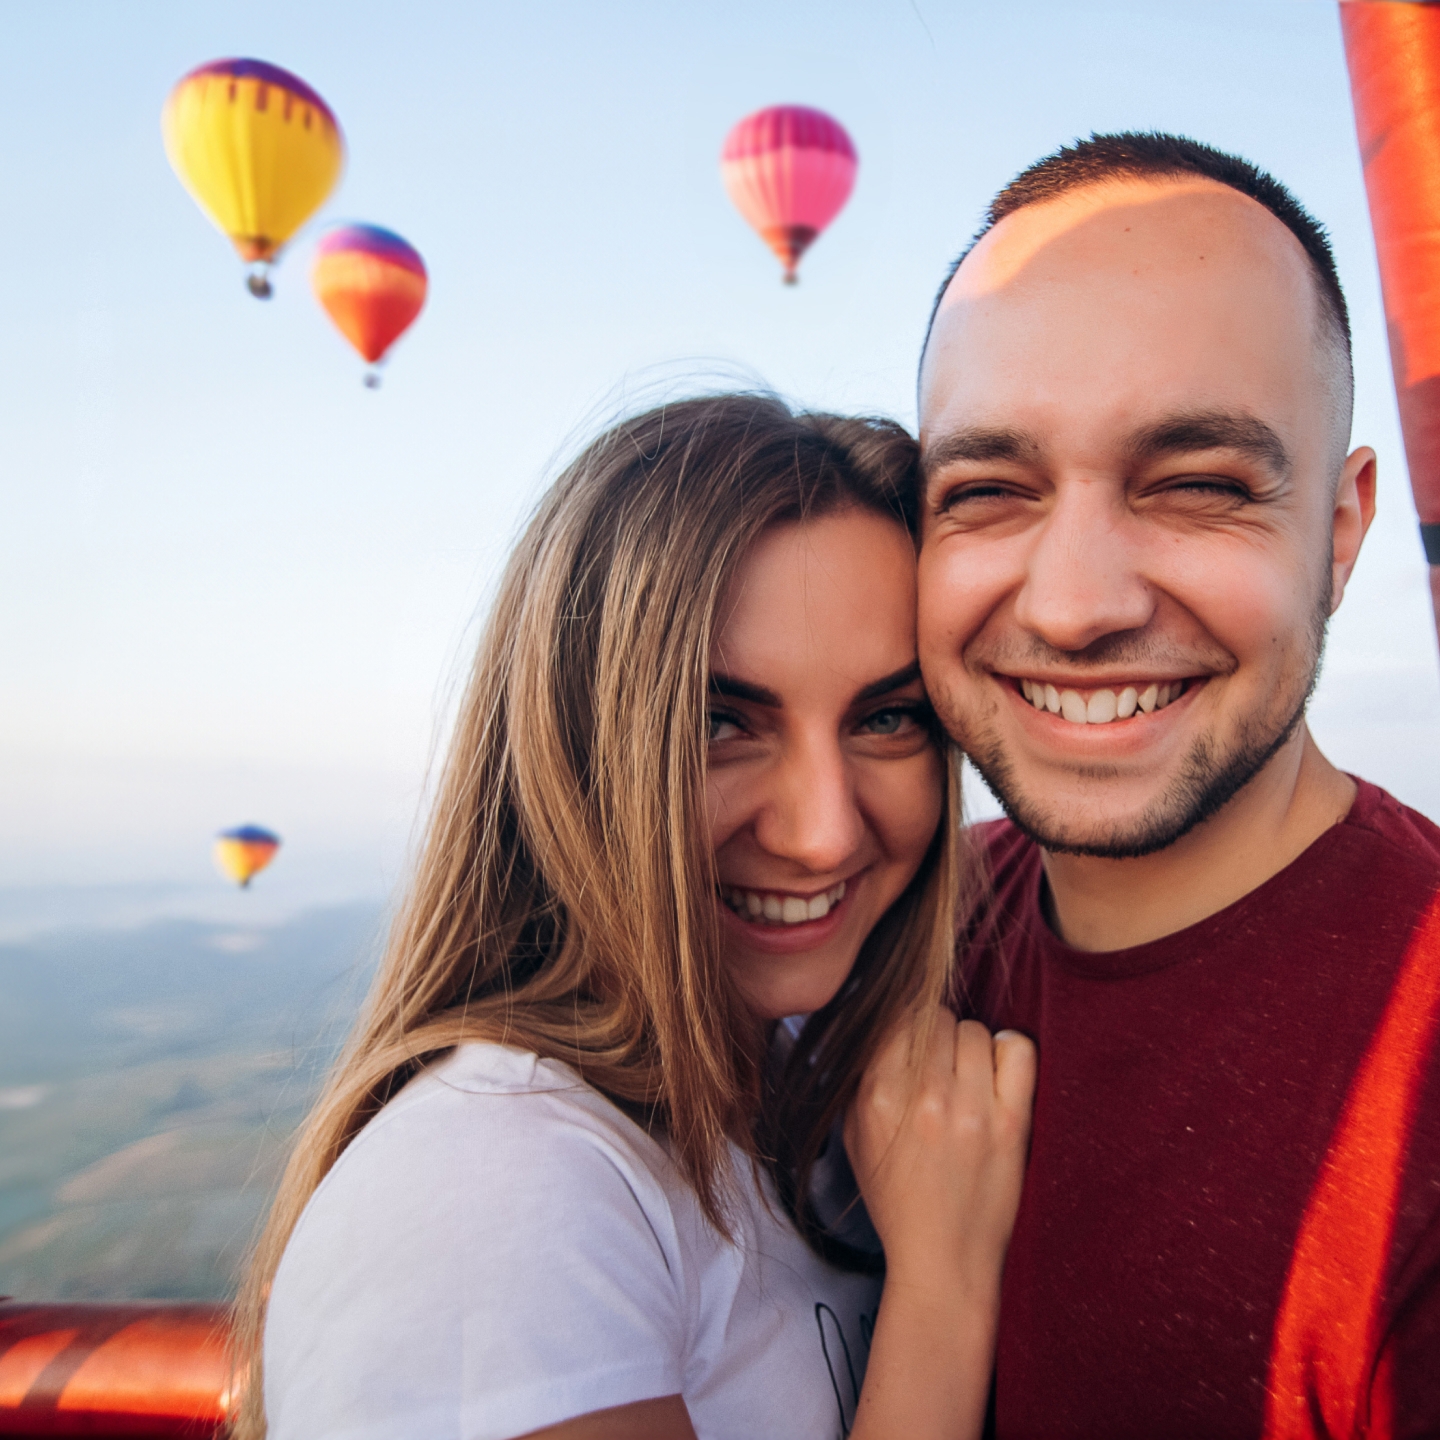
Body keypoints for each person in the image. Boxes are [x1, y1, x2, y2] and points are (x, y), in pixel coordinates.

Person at [233, 395, 1035, 1440]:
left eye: (887, 717)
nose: (823, 834)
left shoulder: (814, 1103)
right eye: (719, 722)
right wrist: (943, 1293)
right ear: (572, 751)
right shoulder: (491, 1190)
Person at [917, 131, 1440, 1437]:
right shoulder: (900, 928)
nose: (1075, 606)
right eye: (988, 490)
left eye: (1199, 485)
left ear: (1341, 530)